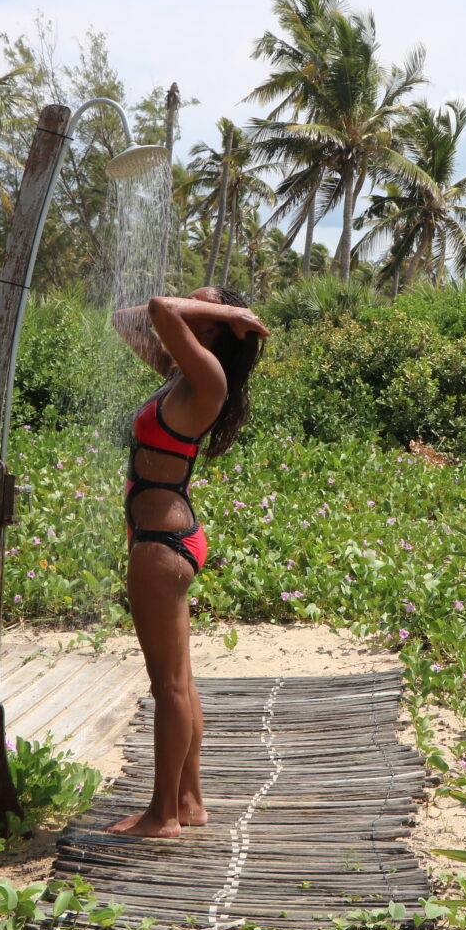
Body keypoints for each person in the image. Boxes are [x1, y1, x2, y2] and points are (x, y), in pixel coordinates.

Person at [108, 286, 268, 837]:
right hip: (164, 536)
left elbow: (158, 309)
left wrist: (225, 313)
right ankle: (191, 801)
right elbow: (124, 319)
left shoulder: (209, 378)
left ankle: (161, 815)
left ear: (218, 331)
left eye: (200, 307)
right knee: (181, 681)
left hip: (161, 543)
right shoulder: (182, 369)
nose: (185, 306)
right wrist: (217, 312)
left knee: (168, 686)